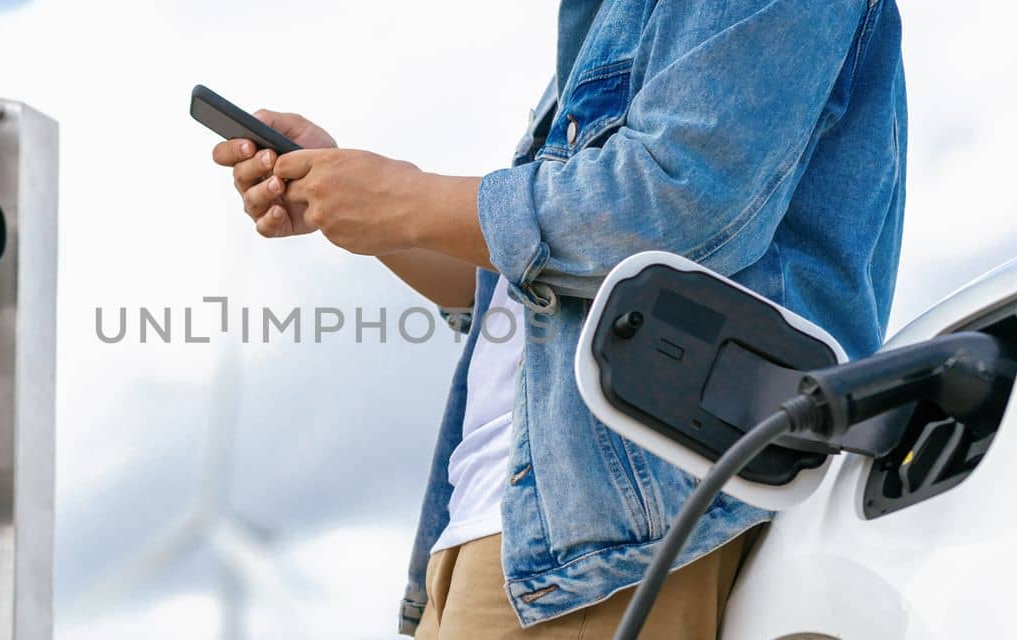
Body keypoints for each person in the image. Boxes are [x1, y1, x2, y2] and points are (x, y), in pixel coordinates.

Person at [209, 0, 905, 637]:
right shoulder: (608, 23)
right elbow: (532, 290)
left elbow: (670, 205)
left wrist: (404, 198)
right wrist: (363, 212)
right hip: (505, 531)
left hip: (607, 546)